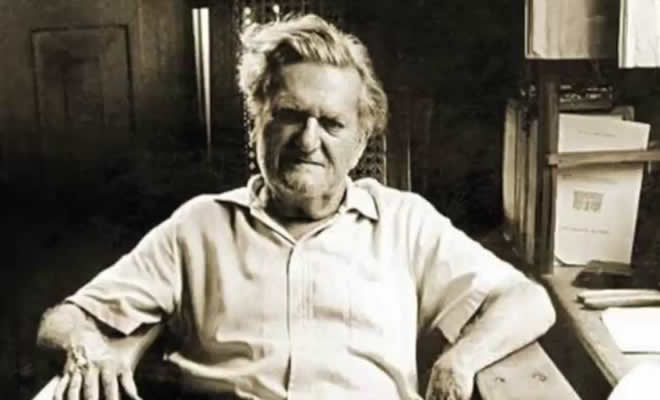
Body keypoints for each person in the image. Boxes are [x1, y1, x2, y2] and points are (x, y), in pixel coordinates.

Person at [36, 14, 555, 400]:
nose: (308, 140)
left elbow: (529, 301)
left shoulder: (404, 222)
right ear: (257, 122)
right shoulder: (199, 226)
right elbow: (64, 319)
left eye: (331, 123)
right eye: (289, 115)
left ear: (360, 140)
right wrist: (89, 349)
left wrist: (461, 359)